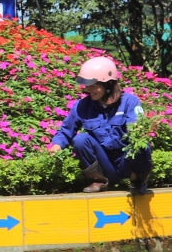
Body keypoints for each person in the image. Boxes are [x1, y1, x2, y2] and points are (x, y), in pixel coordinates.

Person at [53, 56, 150, 193]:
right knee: (80, 139)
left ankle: (138, 180)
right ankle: (99, 181)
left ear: (108, 84)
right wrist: (57, 145)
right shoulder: (82, 106)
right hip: (105, 164)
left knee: (141, 143)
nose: (89, 89)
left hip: (126, 160)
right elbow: (66, 130)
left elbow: (137, 127)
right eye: (87, 86)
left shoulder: (130, 102)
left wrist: (141, 129)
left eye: (94, 86)